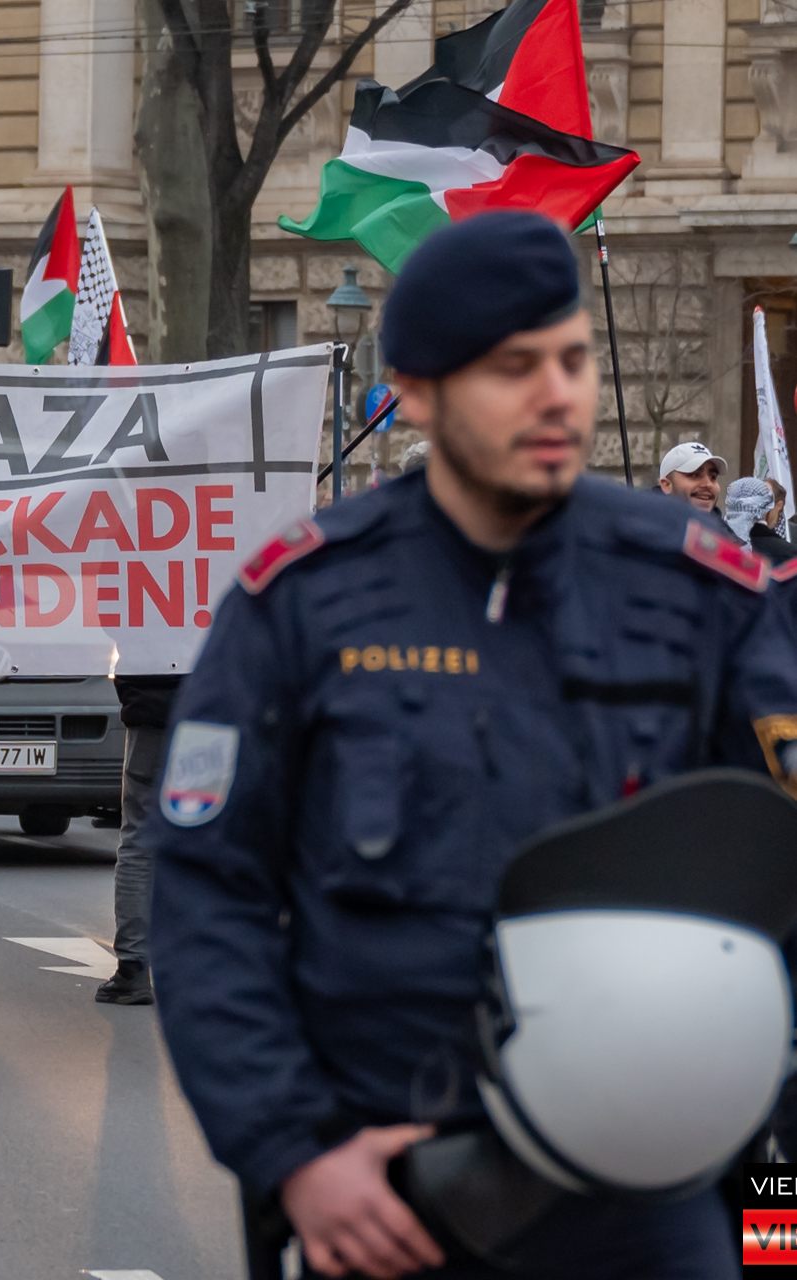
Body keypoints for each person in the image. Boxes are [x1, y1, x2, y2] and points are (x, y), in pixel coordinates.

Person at [148, 211, 797, 1280]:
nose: (555, 394)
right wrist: (293, 1153)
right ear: (413, 390)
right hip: (389, 1193)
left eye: (571, 360)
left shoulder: (698, 591)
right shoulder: (303, 601)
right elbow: (207, 896)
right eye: (510, 368)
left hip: (653, 1198)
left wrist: (774, 1206)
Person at [95, 675, 178, 1005]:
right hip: (216, 713)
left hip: (152, 712)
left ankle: (133, 969)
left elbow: (115, 623)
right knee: (214, 840)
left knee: (139, 839)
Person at [657, 440, 726, 514]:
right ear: (666, 485)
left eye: (713, 477)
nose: (708, 484)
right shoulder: (646, 523)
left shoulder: (721, 525)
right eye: (695, 475)